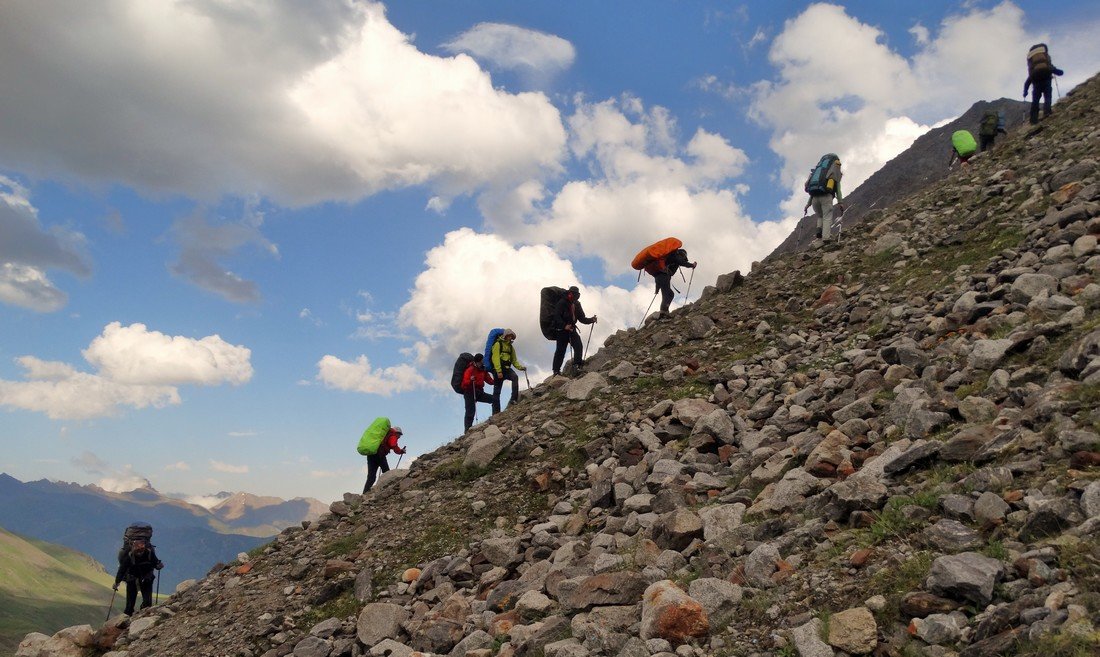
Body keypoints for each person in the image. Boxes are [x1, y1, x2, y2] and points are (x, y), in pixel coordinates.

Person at [551, 286, 598, 376]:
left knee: (578, 346)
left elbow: (582, 318)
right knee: (560, 350)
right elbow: (556, 316)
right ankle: (556, 371)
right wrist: (564, 326)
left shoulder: (576, 304)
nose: (575, 297)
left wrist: (591, 320)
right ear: (570, 293)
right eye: (574, 295)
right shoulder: (562, 302)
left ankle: (577, 366)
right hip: (561, 330)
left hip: (571, 329)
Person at [113, 538, 163, 616]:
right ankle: (127, 621)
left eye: (141, 551)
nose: (140, 553)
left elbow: (155, 563)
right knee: (130, 606)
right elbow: (122, 570)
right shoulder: (130, 556)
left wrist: (158, 565)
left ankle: (141, 617)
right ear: (133, 548)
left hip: (146, 579)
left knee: (147, 603)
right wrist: (117, 582)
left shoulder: (149, 553)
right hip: (133, 580)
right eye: (138, 551)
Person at [803, 156, 844, 242]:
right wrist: (840, 202)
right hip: (826, 197)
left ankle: (819, 236)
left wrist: (807, 205)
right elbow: (838, 190)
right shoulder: (834, 173)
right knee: (827, 217)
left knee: (820, 216)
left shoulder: (818, 173)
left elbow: (812, 194)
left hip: (814, 198)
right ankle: (826, 238)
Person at [1023, 43, 1064, 125]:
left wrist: (1025, 92)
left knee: (1035, 101)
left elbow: (1027, 81)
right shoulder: (1047, 65)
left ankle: (1033, 120)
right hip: (1046, 79)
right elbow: (1058, 71)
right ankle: (1047, 112)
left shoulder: (1033, 69)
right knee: (1048, 96)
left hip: (1036, 82)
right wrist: (1059, 72)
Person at [490, 329, 526, 413]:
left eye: (512, 337)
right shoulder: (497, 344)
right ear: (505, 335)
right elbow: (495, 358)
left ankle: (513, 399)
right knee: (497, 392)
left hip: (507, 369)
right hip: (499, 370)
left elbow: (514, 360)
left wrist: (520, 367)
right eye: (509, 336)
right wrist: (499, 371)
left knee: (515, 377)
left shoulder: (510, 347)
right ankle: (496, 412)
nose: (510, 338)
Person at [653, 249, 697, 317]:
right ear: (682, 255)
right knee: (667, 295)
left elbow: (659, 276)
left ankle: (664, 312)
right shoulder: (676, 257)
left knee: (670, 294)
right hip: (664, 277)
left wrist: (657, 289)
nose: (683, 258)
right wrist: (692, 265)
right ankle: (663, 314)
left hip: (660, 277)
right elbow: (682, 262)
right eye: (683, 257)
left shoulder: (670, 258)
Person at [364, 425, 405, 493]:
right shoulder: (393, 435)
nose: (399, 437)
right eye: (399, 434)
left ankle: (365, 493)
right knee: (387, 473)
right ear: (396, 432)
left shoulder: (385, 435)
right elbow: (393, 445)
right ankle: (387, 490)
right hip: (380, 455)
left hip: (371, 454)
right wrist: (401, 451)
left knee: (371, 476)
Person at [461, 353, 495, 431]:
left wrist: (496, 381)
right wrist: (471, 380)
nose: (483, 361)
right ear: (479, 361)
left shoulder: (483, 369)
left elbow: (489, 380)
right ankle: (467, 430)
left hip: (479, 392)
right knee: (470, 412)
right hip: (469, 392)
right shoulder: (470, 369)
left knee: (494, 399)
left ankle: (496, 415)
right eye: (482, 360)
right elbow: (465, 382)